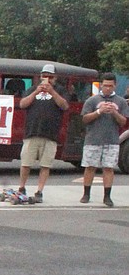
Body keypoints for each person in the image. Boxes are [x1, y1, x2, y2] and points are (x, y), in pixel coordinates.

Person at [15, 63, 69, 204]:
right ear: (40, 76)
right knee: (26, 163)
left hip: (50, 134)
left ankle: (39, 191)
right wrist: (36, 92)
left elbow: (64, 105)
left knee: (45, 165)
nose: (47, 79)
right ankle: (22, 187)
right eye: (44, 76)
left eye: (50, 76)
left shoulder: (60, 90)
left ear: (55, 77)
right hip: (32, 132)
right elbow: (22, 104)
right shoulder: (33, 89)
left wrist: (52, 92)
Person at [79, 73, 128, 207]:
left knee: (108, 168)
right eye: (105, 85)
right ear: (101, 85)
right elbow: (84, 119)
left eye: (110, 86)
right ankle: (86, 194)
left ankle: (107, 196)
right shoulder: (92, 100)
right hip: (93, 139)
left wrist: (114, 112)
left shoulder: (120, 101)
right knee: (90, 167)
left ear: (115, 86)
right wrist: (99, 112)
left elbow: (123, 122)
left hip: (112, 140)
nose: (107, 88)